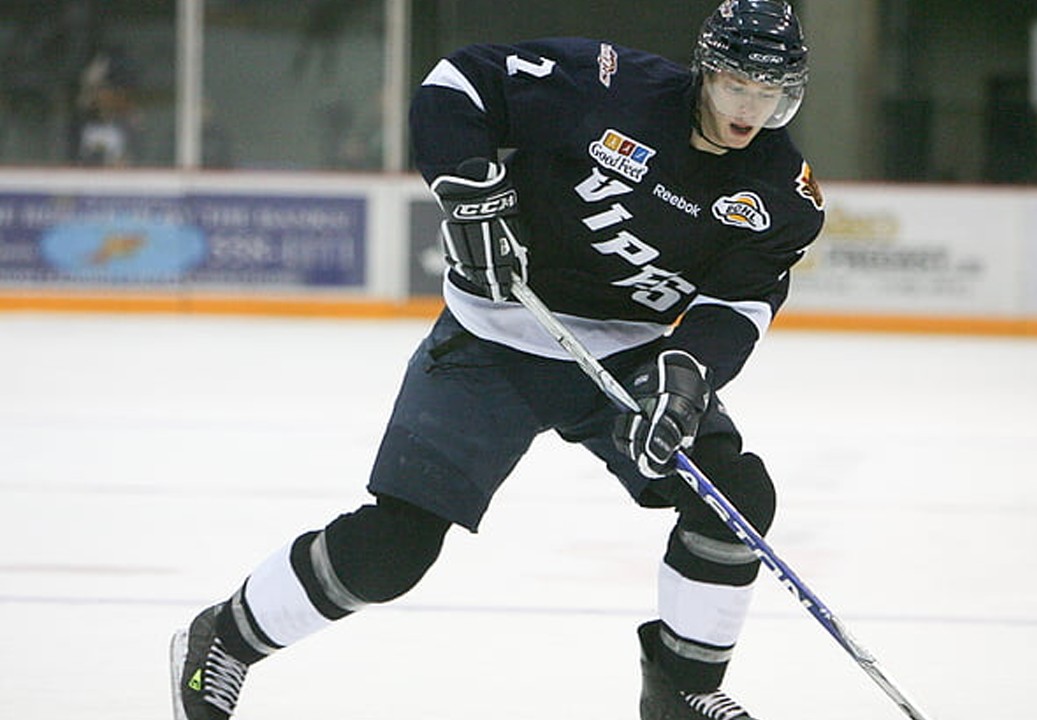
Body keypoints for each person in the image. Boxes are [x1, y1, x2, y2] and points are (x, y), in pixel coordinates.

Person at [169, 2, 825, 719]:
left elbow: (737, 304)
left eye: (771, 95)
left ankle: (681, 690)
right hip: (494, 335)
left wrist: (689, 374)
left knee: (733, 503)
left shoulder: (782, 195)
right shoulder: (607, 86)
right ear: (705, 70)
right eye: (737, 87)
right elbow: (458, 86)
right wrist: (472, 193)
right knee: (394, 551)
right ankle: (223, 640)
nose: (750, 112)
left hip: (626, 350)